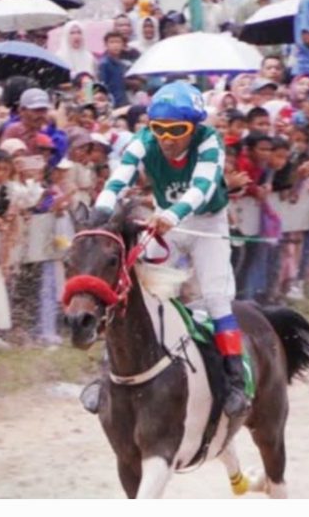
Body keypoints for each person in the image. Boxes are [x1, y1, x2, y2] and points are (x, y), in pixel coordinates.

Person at [87, 81, 249, 417]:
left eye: (177, 129)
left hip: (205, 224)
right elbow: (119, 180)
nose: (167, 138)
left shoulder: (210, 141)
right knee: (131, 291)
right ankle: (105, 372)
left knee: (216, 298)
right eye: (160, 129)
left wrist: (172, 215)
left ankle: (235, 383)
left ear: (194, 127)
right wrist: (101, 211)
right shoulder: (143, 140)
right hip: (165, 220)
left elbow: (202, 188)